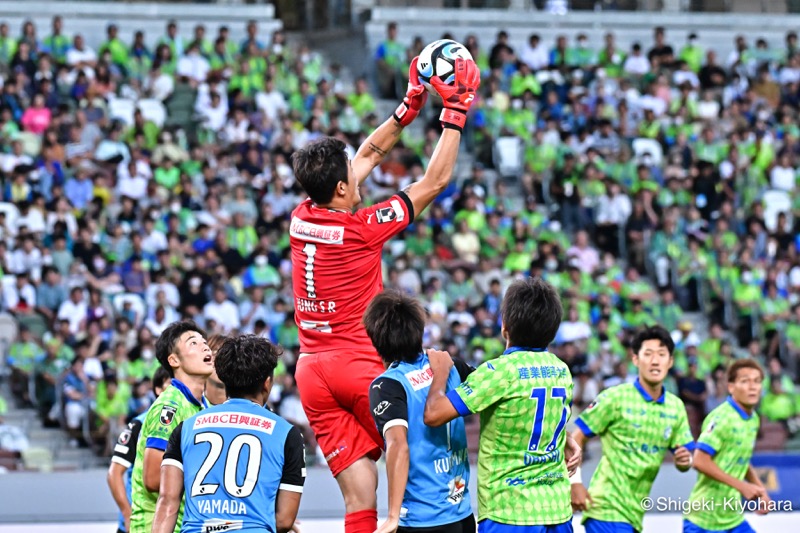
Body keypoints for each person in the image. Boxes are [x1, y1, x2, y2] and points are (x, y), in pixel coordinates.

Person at [289, 56, 479, 533]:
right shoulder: (360, 230)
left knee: (358, 498)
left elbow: (368, 156)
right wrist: (453, 112)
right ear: (339, 187)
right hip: (360, 366)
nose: (361, 171)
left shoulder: (302, 214)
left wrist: (408, 105)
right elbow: (433, 183)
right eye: (349, 175)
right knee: (410, 455)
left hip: (312, 372)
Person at [424, 277, 580, 533]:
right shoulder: (561, 370)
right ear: (553, 329)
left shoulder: (499, 371)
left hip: (508, 512)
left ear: (504, 326)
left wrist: (441, 371)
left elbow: (434, 414)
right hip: (557, 511)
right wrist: (566, 438)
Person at [152, 335, 305, 533]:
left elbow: (167, 503)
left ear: (224, 379)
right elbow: (284, 520)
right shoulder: (288, 434)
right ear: (267, 383)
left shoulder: (185, 428)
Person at [365, 290, 475, 533]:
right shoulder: (450, 365)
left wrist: (393, 517)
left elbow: (398, 446)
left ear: (374, 339)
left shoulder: (387, 385)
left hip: (420, 521)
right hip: (463, 515)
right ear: (419, 330)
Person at [570, 325, 695, 533]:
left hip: (634, 515)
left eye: (662, 355)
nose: (655, 361)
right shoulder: (615, 398)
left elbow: (686, 458)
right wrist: (575, 483)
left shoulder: (676, 407)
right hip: (606, 510)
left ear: (670, 361)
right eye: (648, 354)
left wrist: (685, 460)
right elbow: (576, 437)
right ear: (635, 359)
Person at [129, 320, 213, 533]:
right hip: (156, 525)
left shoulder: (205, 405)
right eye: (193, 343)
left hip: (185, 523)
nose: (205, 346)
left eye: (204, 342)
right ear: (174, 360)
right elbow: (152, 479)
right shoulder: (170, 406)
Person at [684, 360, 771, 533]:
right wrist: (742, 486)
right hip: (703, 521)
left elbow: (740, 458)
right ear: (731, 387)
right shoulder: (721, 418)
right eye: (745, 381)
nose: (752, 386)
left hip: (733, 520)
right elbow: (699, 461)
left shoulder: (753, 419)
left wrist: (760, 490)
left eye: (757, 381)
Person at [106, 367, 171, 533]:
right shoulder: (139, 424)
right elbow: (114, 474)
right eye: (170, 383)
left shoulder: (192, 418)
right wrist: (127, 514)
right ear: (158, 389)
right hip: (138, 523)